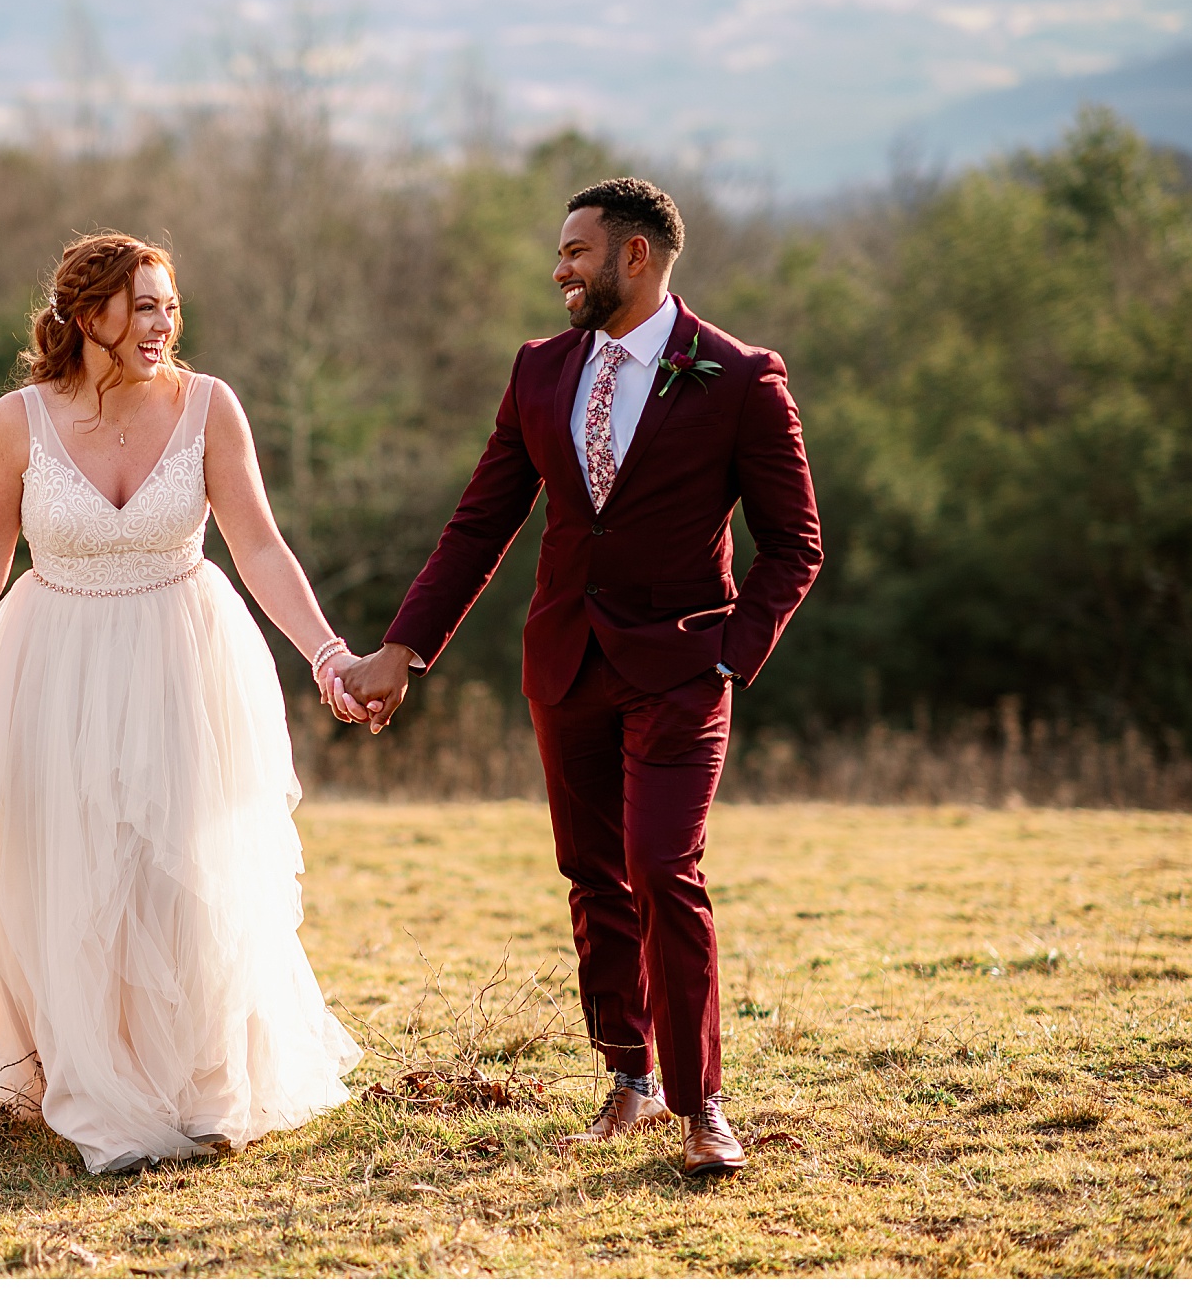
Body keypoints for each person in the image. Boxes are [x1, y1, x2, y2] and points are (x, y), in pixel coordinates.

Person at [329, 178, 823, 1181]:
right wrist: (400, 649)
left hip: (683, 668)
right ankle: (627, 1080)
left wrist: (731, 651)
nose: (557, 268)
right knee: (592, 878)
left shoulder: (737, 377)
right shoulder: (540, 370)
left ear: (633, 257)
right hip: (564, 662)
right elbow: (480, 522)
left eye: (574, 252)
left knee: (660, 868)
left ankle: (701, 1107)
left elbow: (793, 544)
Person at [0, 232, 363, 1175]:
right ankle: (92, 1089)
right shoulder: (16, 423)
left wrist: (327, 653)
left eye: (169, 305)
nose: (162, 323)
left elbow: (258, 546)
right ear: (85, 314)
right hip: (53, 667)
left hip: (183, 659)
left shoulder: (210, 406)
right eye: (143, 306)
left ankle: (200, 1087)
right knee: (69, 874)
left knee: (181, 871)